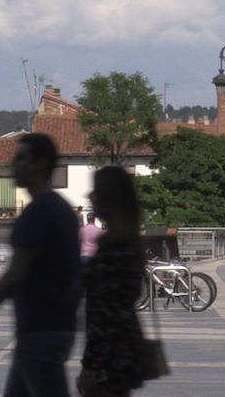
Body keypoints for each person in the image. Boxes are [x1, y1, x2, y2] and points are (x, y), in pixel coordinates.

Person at [0, 133, 80, 396]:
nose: (15, 164)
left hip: (40, 332)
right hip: (54, 328)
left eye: (22, 158)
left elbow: (16, 273)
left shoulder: (38, 213)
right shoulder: (64, 211)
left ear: (41, 164)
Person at [77, 166, 151, 396]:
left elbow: (106, 311)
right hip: (122, 348)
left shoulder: (115, 245)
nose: (91, 197)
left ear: (110, 197)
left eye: (96, 192)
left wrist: (92, 364)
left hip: (110, 354)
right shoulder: (127, 238)